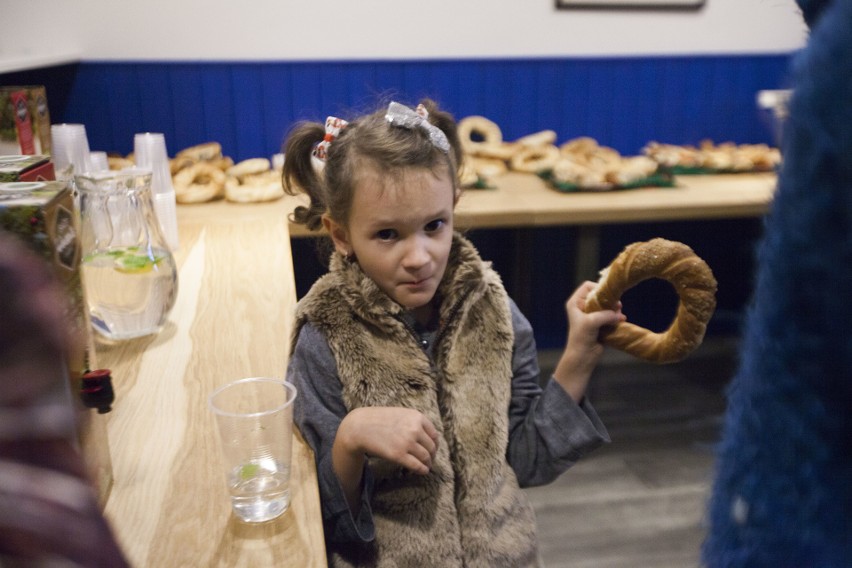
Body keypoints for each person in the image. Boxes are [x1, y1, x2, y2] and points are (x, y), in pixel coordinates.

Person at [283, 99, 625, 567]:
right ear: (340, 235)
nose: (419, 256)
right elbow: (321, 515)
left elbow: (524, 460)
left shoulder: (495, 312)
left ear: (454, 208)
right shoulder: (325, 334)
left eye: (434, 226)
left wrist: (579, 354)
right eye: (387, 234)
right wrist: (350, 437)